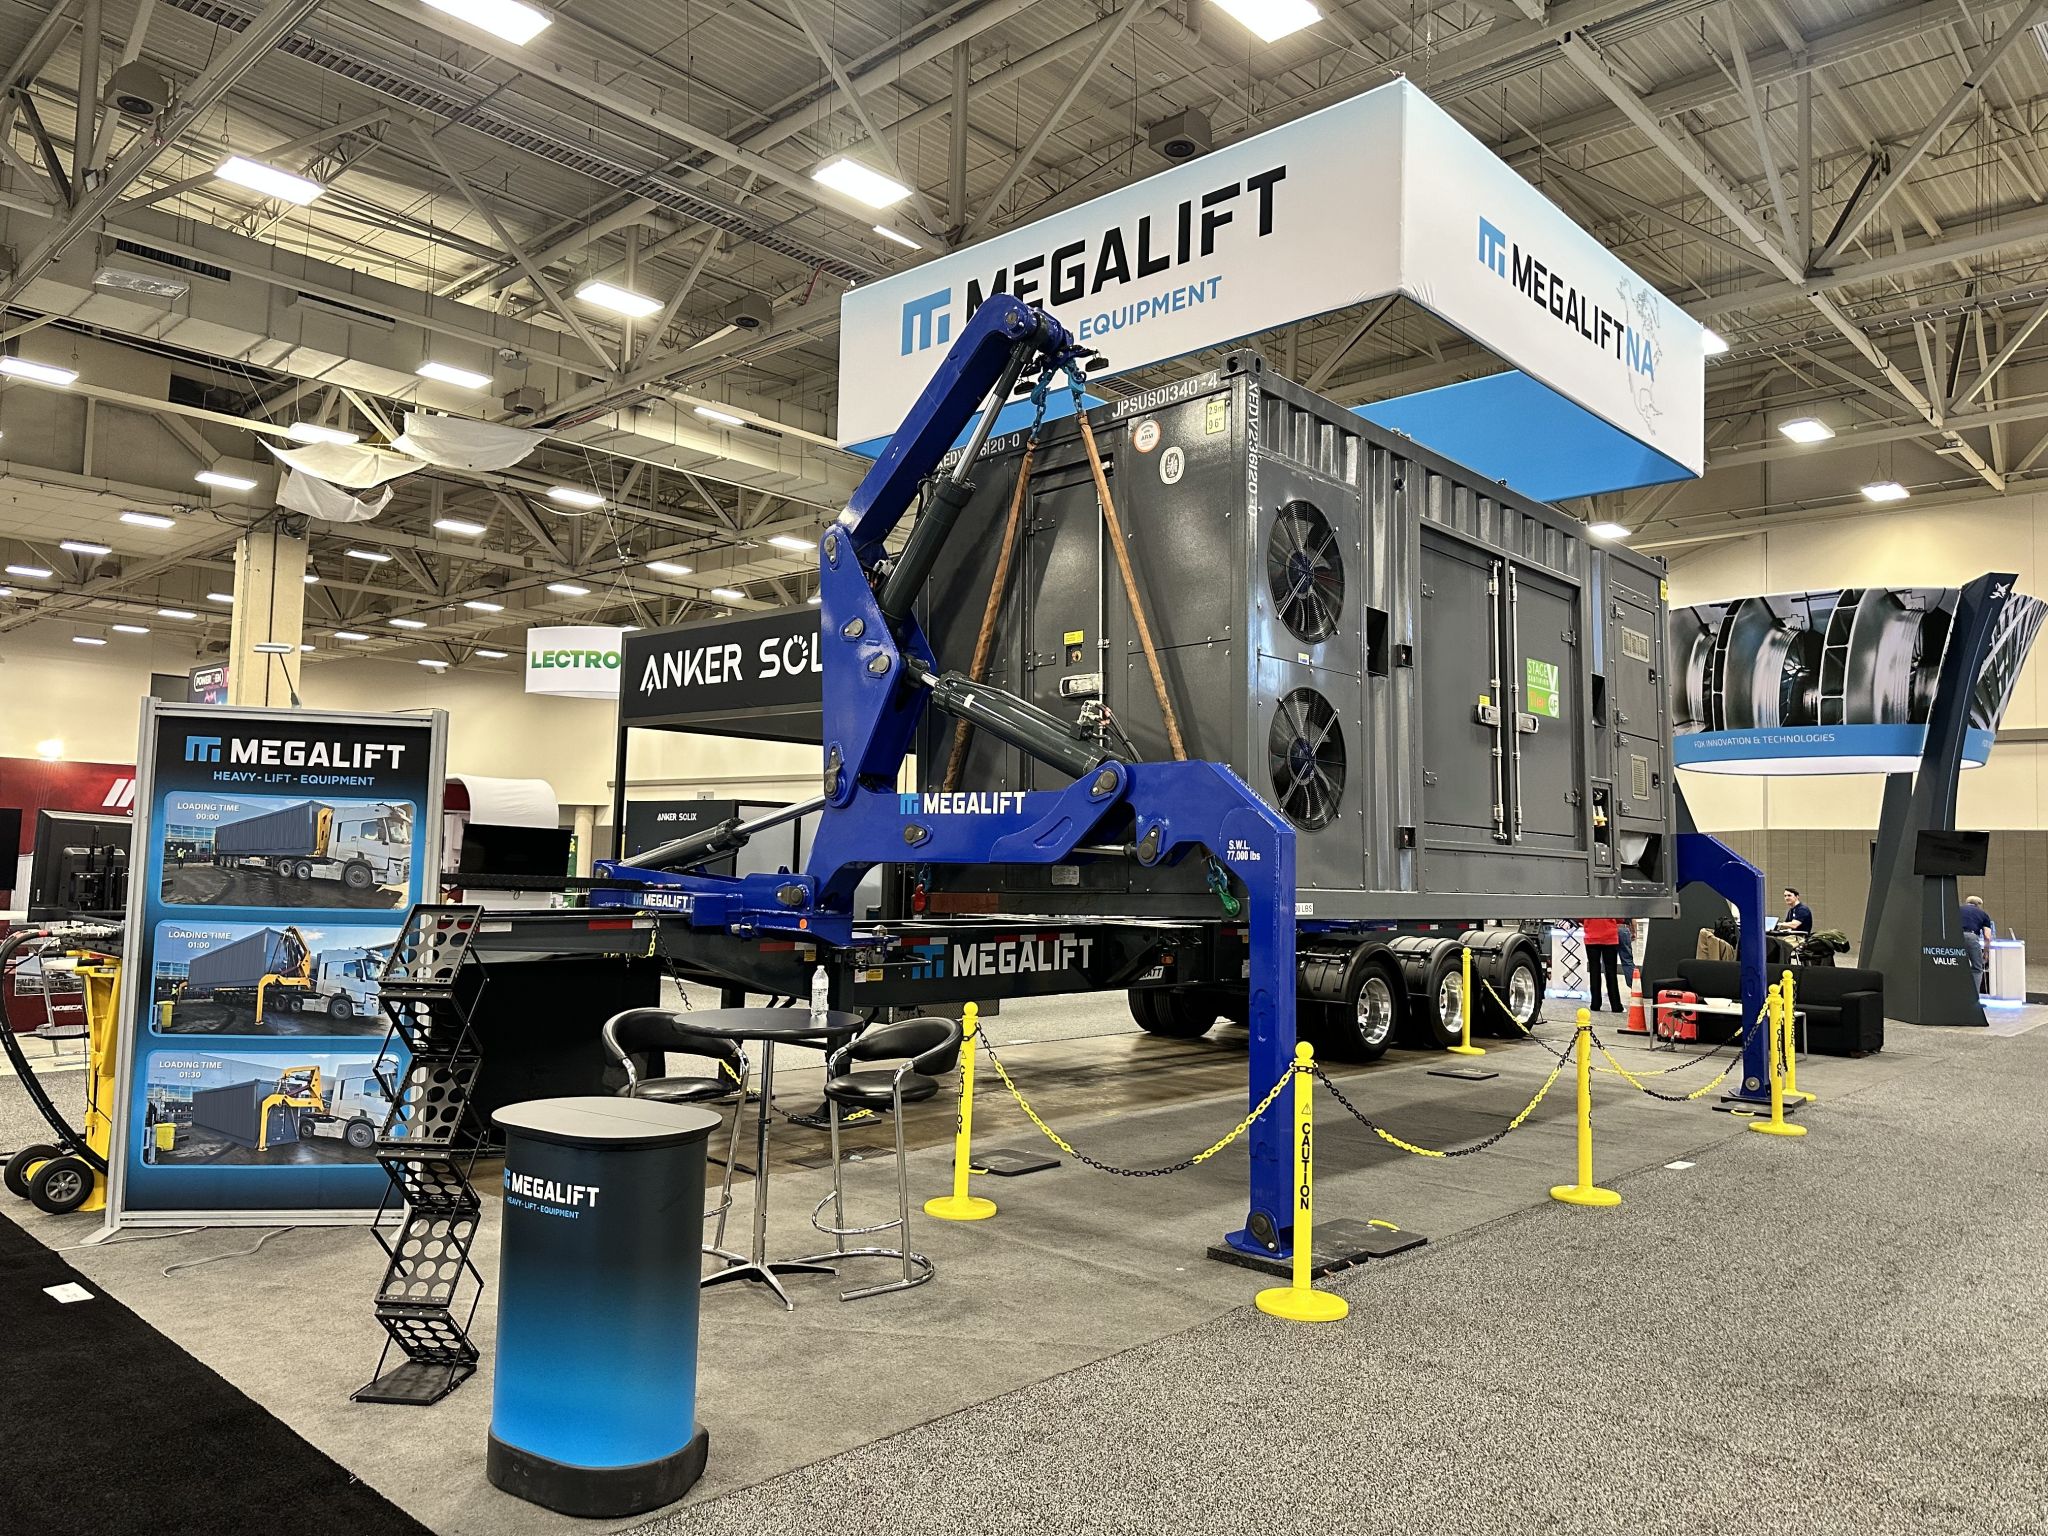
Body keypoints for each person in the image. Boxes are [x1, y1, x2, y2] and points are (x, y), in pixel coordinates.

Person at [1581, 917, 1624, 1012]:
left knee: (1594, 971)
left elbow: (1580, 917)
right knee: (1611, 972)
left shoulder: (1587, 905)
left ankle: (1595, 1004)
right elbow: (1620, 918)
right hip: (1610, 936)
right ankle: (1616, 1005)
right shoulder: (1611, 905)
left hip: (1591, 936)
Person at [1960, 896, 1996, 993]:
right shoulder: (1983, 914)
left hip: (1956, 938)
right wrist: (1986, 952)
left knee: (1955, 965)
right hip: (1971, 937)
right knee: (1977, 968)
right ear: (1978, 905)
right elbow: (1987, 936)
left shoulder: (1957, 910)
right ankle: (1974, 995)